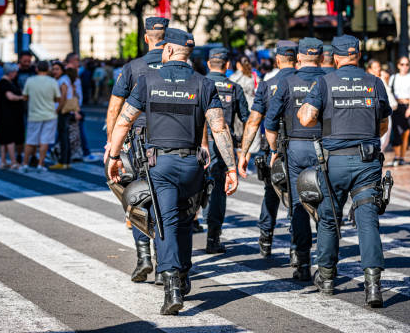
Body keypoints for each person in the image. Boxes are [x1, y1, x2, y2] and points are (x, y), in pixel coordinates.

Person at [107, 27, 238, 315]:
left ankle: (172, 286)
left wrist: (114, 156)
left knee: (165, 223)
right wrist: (231, 167)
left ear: (167, 50)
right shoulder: (204, 84)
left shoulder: (147, 80)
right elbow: (219, 127)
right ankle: (184, 273)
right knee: (184, 220)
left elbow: (123, 122)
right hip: (192, 164)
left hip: (160, 165)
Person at [298, 34, 392, 307]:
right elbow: (383, 124)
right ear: (358, 55)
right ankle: (373, 286)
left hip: (334, 163)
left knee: (328, 219)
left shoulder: (324, 82)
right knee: (367, 221)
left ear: (335, 58)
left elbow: (306, 119)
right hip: (367, 162)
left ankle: (326, 278)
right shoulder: (375, 83)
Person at [105, 17, 168, 284]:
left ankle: (143, 257)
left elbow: (114, 109)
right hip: (169, 141)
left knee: (137, 197)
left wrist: (112, 145)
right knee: (167, 203)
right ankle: (167, 264)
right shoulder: (178, 66)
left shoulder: (133, 67)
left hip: (136, 142)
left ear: (145, 38)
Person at [264, 38, 326, 281]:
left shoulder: (287, 82)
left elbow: (270, 125)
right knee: (325, 206)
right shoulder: (329, 79)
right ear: (321, 58)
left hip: (296, 149)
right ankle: (326, 265)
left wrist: (274, 151)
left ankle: (302, 263)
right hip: (325, 148)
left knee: (299, 206)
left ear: (299, 58)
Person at [238, 45, 297, 257]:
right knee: (298, 196)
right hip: (301, 146)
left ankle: (266, 236)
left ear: (278, 60)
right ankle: (297, 244)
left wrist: (244, 153)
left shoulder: (267, 85)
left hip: (273, 146)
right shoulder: (308, 83)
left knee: (271, 192)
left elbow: (254, 121)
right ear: (296, 59)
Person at [203, 48, 250, 254]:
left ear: (208, 63)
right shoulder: (234, 87)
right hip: (222, 143)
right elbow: (247, 118)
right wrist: (243, 149)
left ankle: (193, 222)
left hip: (197, 143)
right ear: (227, 65)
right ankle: (213, 238)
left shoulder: (198, 82)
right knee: (218, 192)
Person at [20, 61, 61, 173]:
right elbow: (58, 98)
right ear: (48, 69)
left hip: (34, 115)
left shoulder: (30, 80)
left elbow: (24, 97)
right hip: (49, 114)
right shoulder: (52, 81)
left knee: (30, 141)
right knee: (45, 141)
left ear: (37, 69)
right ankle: (40, 164)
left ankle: (24, 164)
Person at [389, 57, 410, 165]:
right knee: (396, 132)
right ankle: (396, 156)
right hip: (396, 107)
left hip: (407, 106)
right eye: (402, 64)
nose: (404, 67)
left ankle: (402, 156)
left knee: (406, 133)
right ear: (398, 65)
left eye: (407, 64)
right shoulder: (393, 77)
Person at [50, 62, 80, 169]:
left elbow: (63, 97)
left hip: (63, 111)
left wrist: (57, 110)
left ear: (62, 70)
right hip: (65, 111)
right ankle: (66, 162)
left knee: (63, 136)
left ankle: (63, 162)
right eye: (53, 69)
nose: (54, 71)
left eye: (57, 69)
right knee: (65, 136)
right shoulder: (65, 79)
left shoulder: (62, 80)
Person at [0, 63, 25, 169]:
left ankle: (3, 161)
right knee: (10, 138)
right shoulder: (5, 83)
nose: (16, 74)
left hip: (3, 114)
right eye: (15, 72)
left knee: (4, 139)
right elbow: (10, 97)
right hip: (9, 115)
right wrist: (21, 98)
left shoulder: (3, 83)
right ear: (11, 72)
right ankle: (13, 161)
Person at [379, 67, 398, 152]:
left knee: (385, 140)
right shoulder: (374, 81)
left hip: (388, 111)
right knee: (381, 139)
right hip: (380, 113)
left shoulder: (386, 80)